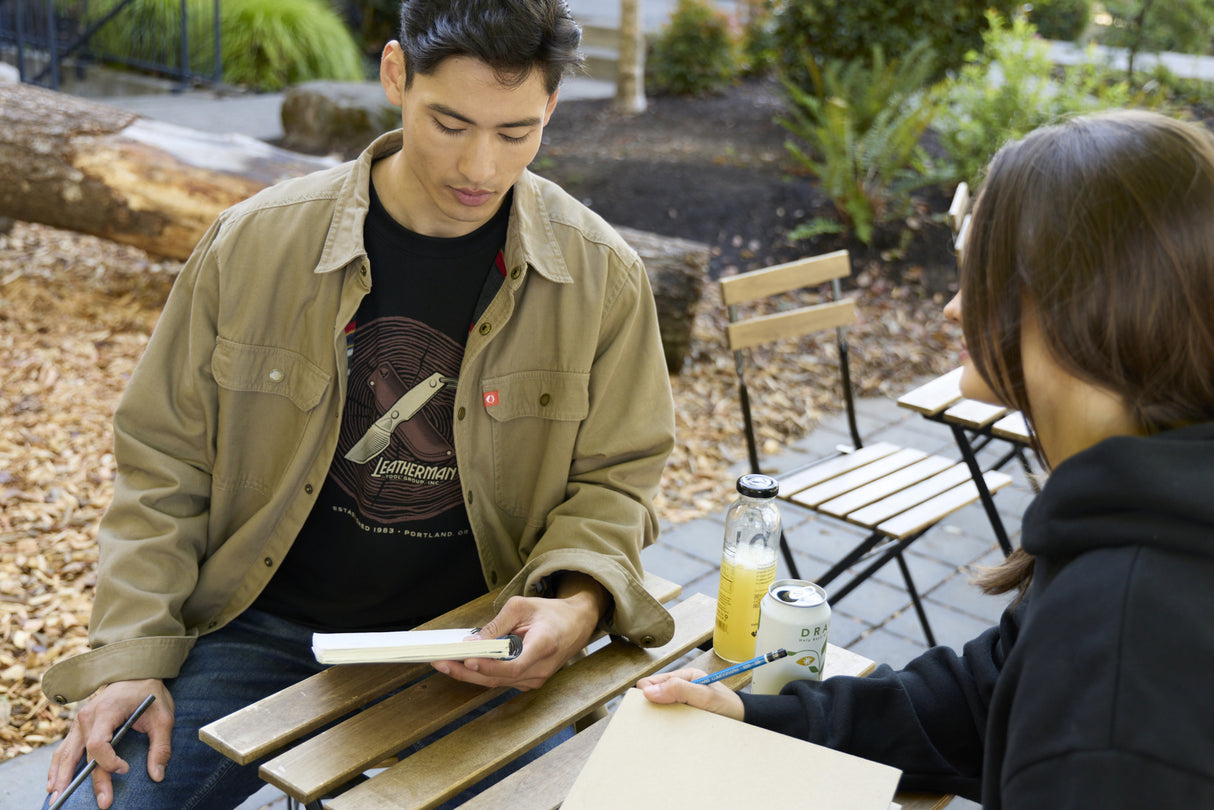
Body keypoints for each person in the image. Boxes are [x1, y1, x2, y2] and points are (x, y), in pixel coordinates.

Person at [42, 1, 676, 807]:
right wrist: (130, 654)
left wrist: (579, 604)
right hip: (257, 625)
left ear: (550, 108)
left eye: (516, 132)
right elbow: (163, 461)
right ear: (395, 75)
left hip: (474, 637)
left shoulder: (601, 277)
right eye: (449, 123)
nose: (480, 166)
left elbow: (618, 480)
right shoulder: (253, 243)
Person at [639, 109, 1214, 808]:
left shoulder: (1123, 656)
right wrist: (762, 717)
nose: (950, 309)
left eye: (980, 277)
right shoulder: (1133, 515)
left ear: (1084, 302)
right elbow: (984, 699)